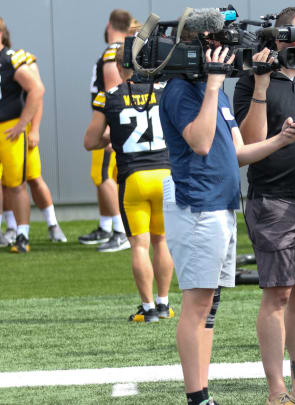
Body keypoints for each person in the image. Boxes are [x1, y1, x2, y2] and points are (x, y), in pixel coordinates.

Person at [160, 32, 295, 403]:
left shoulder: (217, 93)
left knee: (210, 306)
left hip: (220, 206)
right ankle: (197, 397)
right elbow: (201, 142)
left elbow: (237, 152)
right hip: (197, 206)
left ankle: (202, 393)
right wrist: (212, 83)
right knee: (197, 303)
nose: (226, 57)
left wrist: (281, 140)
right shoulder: (181, 89)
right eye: (215, 50)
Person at [233, 7, 295, 405]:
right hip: (271, 201)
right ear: (279, 37)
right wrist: (259, 82)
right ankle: (277, 390)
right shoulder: (250, 79)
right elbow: (249, 144)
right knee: (277, 294)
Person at [83, 41, 174, 323]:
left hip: (133, 177)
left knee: (139, 245)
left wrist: (115, 136)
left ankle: (147, 309)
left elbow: (90, 142)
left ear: (122, 67)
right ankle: (164, 303)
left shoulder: (108, 96)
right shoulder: (167, 90)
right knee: (162, 242)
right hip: (165, 175)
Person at [79, 9, 132, 253]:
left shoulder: (113, 50)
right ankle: (107, 225)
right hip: (118, 119)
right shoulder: (122, 48)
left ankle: (121, 231)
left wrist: (111, 127)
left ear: (110, 24)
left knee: (101, 176)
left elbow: (114, 90)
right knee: (104, 175)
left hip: (110, 121)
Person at [1, 50, 67, 245]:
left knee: (32, 178)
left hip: (19, 127)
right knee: (4, 182)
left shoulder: (18, 59)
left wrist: (33, 129)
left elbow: (37, 96)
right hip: (8, 129)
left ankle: (52, 224)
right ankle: (11, 226)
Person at [0, 17, 44, 253]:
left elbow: (37, 89)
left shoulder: (10, 59)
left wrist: (24, 124)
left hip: (8, 128)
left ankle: (22, 235)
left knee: (17, 185)